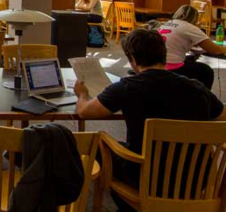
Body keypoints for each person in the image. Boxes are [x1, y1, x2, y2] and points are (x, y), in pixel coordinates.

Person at [74, 28, 225, 210]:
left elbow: (84, 112)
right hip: (194, 180)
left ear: (133, 60)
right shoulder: (197, 88)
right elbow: (222, 117)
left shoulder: (127, 87)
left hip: (146, 179)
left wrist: (82, 94)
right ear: (164, 54)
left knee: (98, 145)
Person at [158, 4, 223, 89]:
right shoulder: (189, 27)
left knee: (191, 59)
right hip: (172, 66)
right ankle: (204, 98)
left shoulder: (167, 23)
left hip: (158, 64)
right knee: (206, 71)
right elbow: (214, 50)